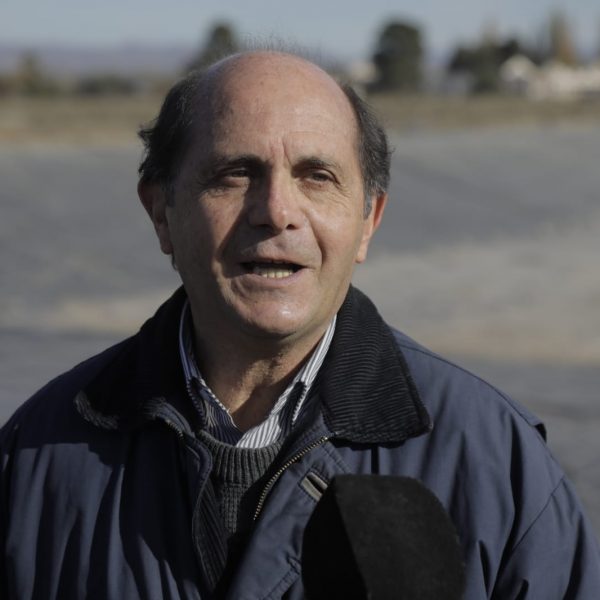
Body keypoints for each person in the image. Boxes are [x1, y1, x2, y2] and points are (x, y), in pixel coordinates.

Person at [1, 49, 599, 600]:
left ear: (368, 220)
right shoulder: (33, 460)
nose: (277, 212)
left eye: (317, 176)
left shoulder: (496, 464)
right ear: (162, 211)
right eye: (235, 173)